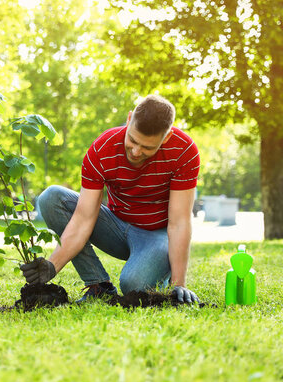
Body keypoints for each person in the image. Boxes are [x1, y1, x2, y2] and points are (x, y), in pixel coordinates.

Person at [21, 94, 200, 303]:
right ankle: (99, 286)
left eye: (147, 148)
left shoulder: (183, 150)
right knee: (51, 198)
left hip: (156, 236)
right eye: (132, 140)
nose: (135, 151)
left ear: (166, 137)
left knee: (134, 286)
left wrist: (179, 284)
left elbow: (179, 222)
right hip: (116, 228)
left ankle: (159, 268)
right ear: (129, 119)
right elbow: (83, 218)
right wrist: (52, 266)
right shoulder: (101, 149)